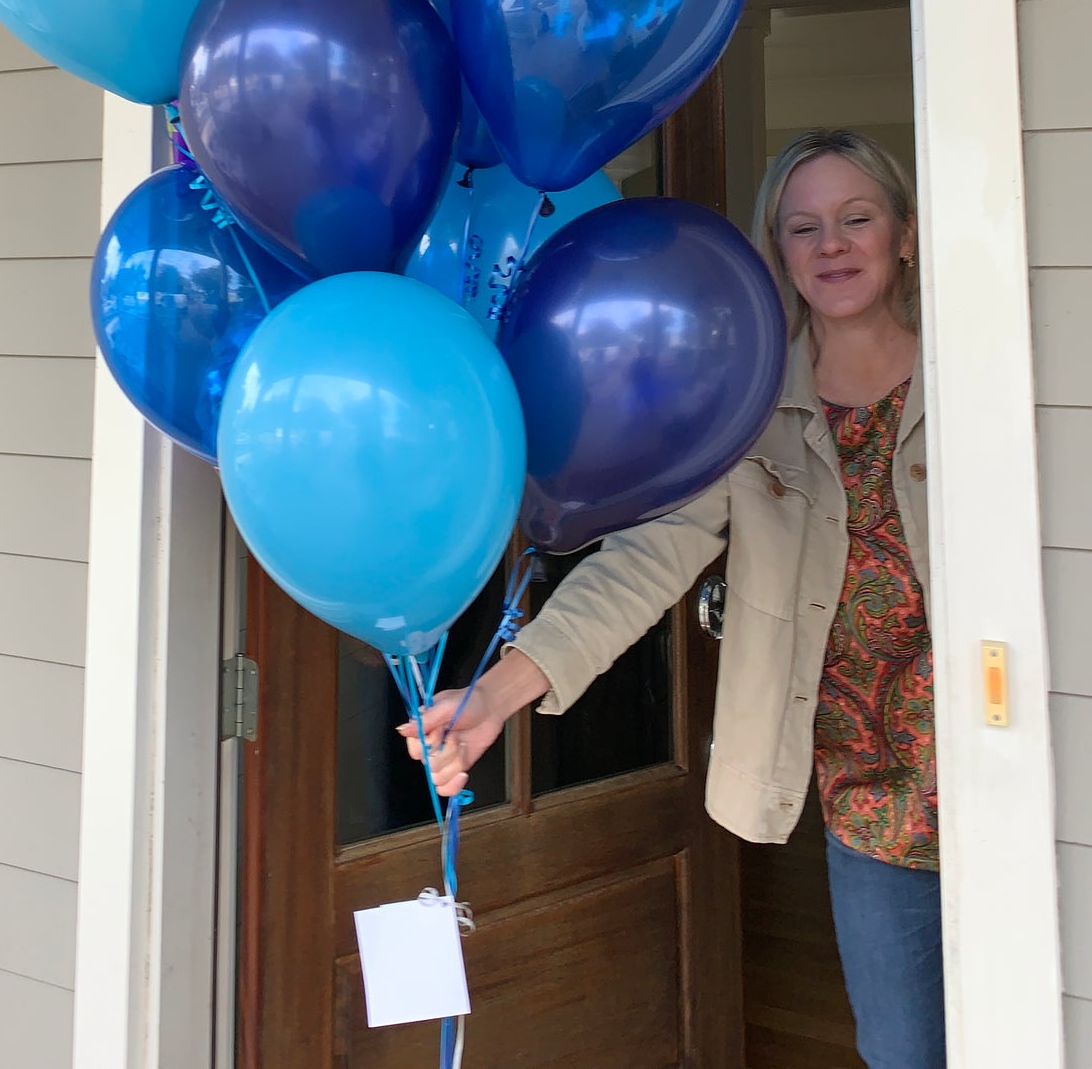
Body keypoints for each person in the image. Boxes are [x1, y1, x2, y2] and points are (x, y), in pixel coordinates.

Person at [401, 128, 943, 1069]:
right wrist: (495, 693)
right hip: (872, 807)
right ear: (780, 254)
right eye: (803, 227)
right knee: (904, 1050)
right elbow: (649, 555)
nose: (832, 245)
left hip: (1011, 771)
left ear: (904, 234)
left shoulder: (978, 376)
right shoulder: (751, 402)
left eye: (857, 218)